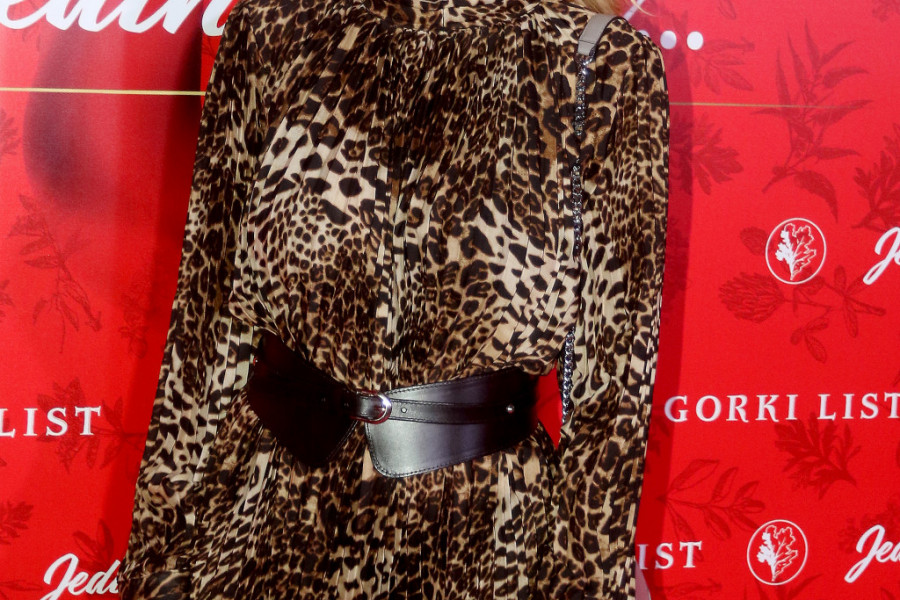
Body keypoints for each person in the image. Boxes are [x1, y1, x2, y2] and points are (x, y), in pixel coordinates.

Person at [118, 0, 669, 597]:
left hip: (481, 540)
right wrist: (161, 555)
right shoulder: (272, 29)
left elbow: (615, 379)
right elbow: (207, 322)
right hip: (262, 517)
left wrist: (585, 580)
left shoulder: (600, 62)